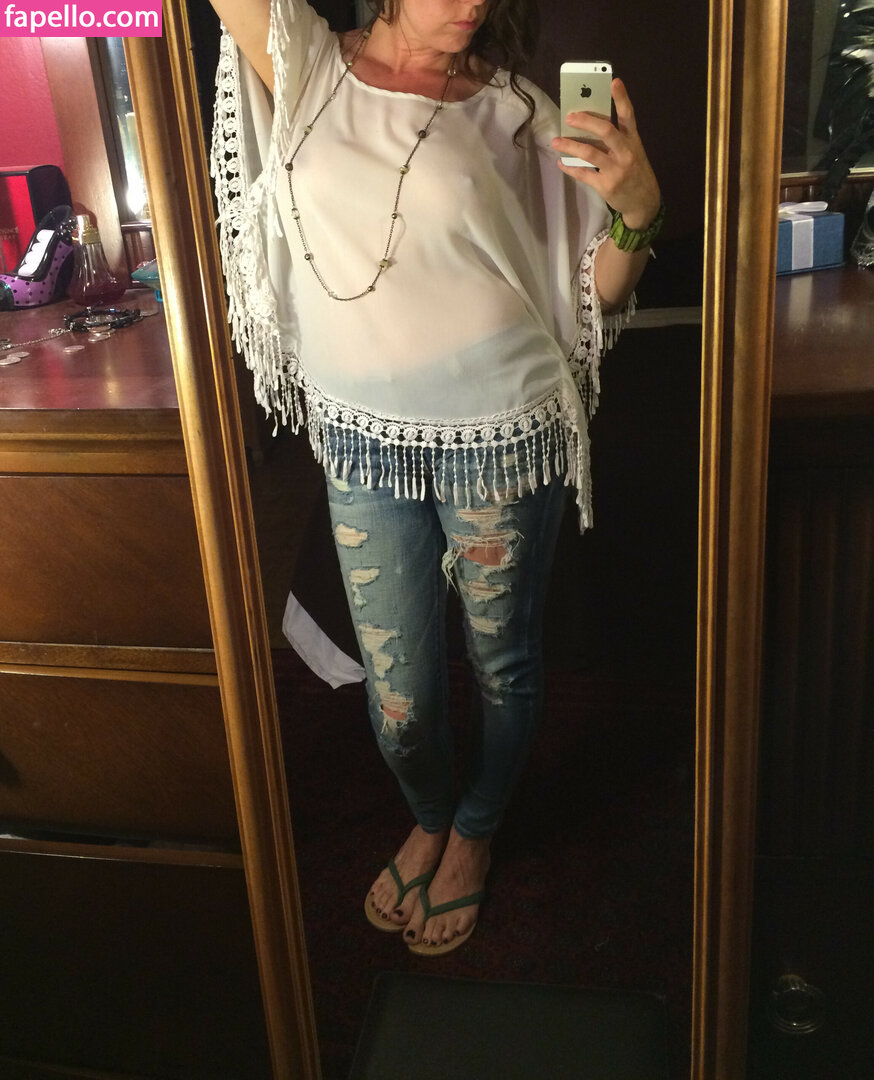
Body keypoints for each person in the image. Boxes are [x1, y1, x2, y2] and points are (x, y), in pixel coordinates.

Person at [208, 0, 661, 956]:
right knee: (401, 699)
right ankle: (430, 810)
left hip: (503, 429)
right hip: (364, 440)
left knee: (503, 664)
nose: (472, 4)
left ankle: (475, 829)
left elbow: (590, 289)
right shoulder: (306, 64)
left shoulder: (518, 110)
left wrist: (637, 213)